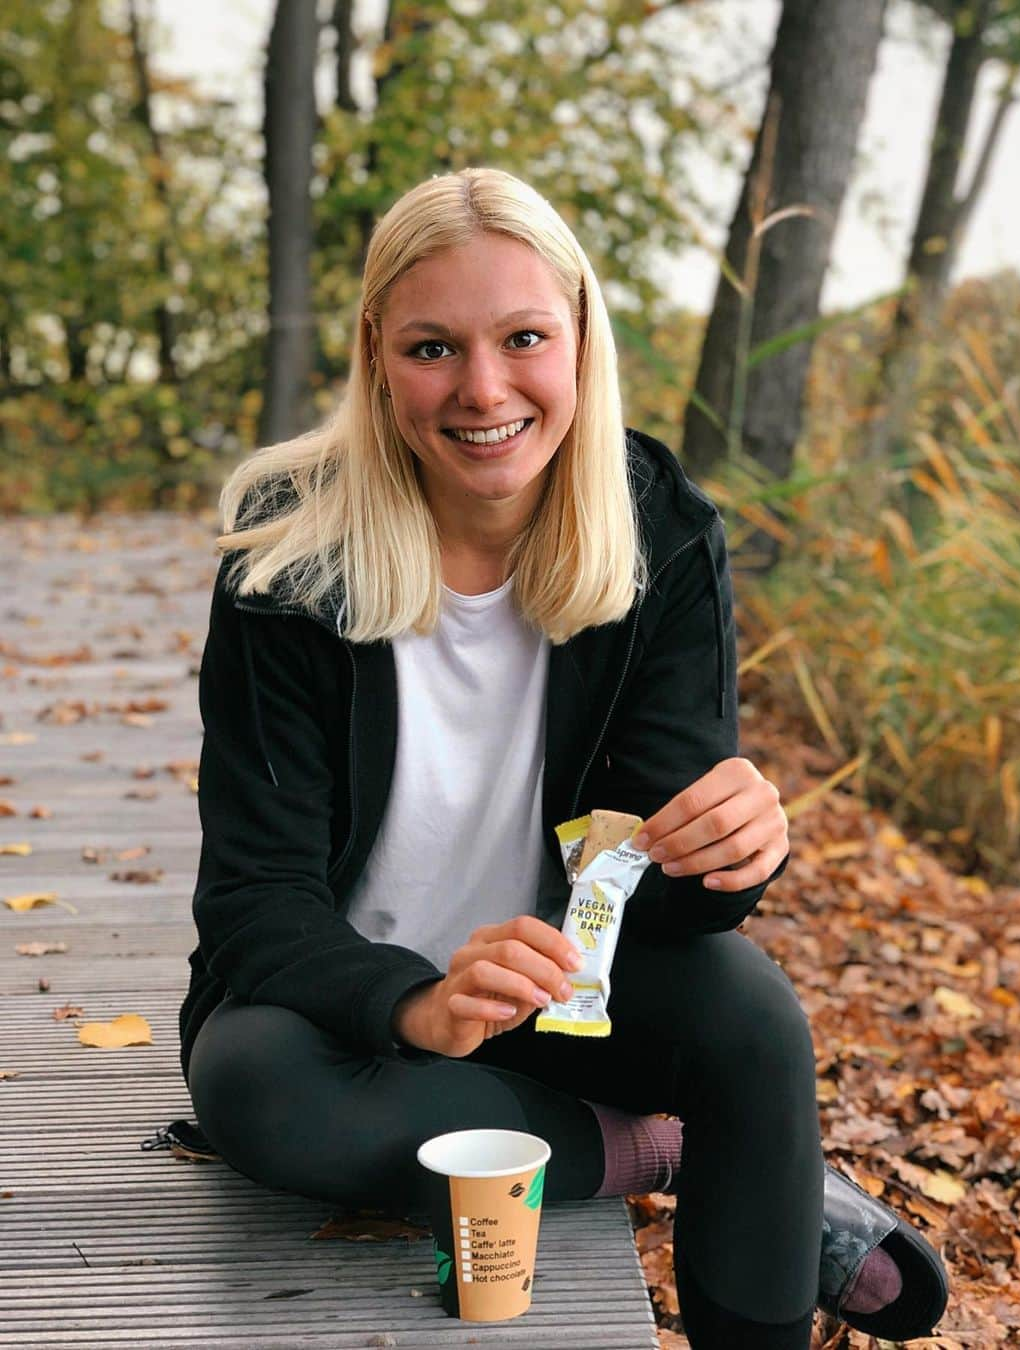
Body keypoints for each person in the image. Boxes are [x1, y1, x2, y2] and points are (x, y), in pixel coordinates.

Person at [178, 167, 943, 1349]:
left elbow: (671, 890)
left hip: (564, 993)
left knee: (751, 1017)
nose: (484, 391)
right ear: (377, 351)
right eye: (433, 348)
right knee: (259, 1096)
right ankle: (677, 1150)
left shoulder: (658, 529)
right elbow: (252, 899)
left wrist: (735, 855)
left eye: (524, 337)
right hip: (341, 1003)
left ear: (581, 335)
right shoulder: (288, 556)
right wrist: (414, 1002)